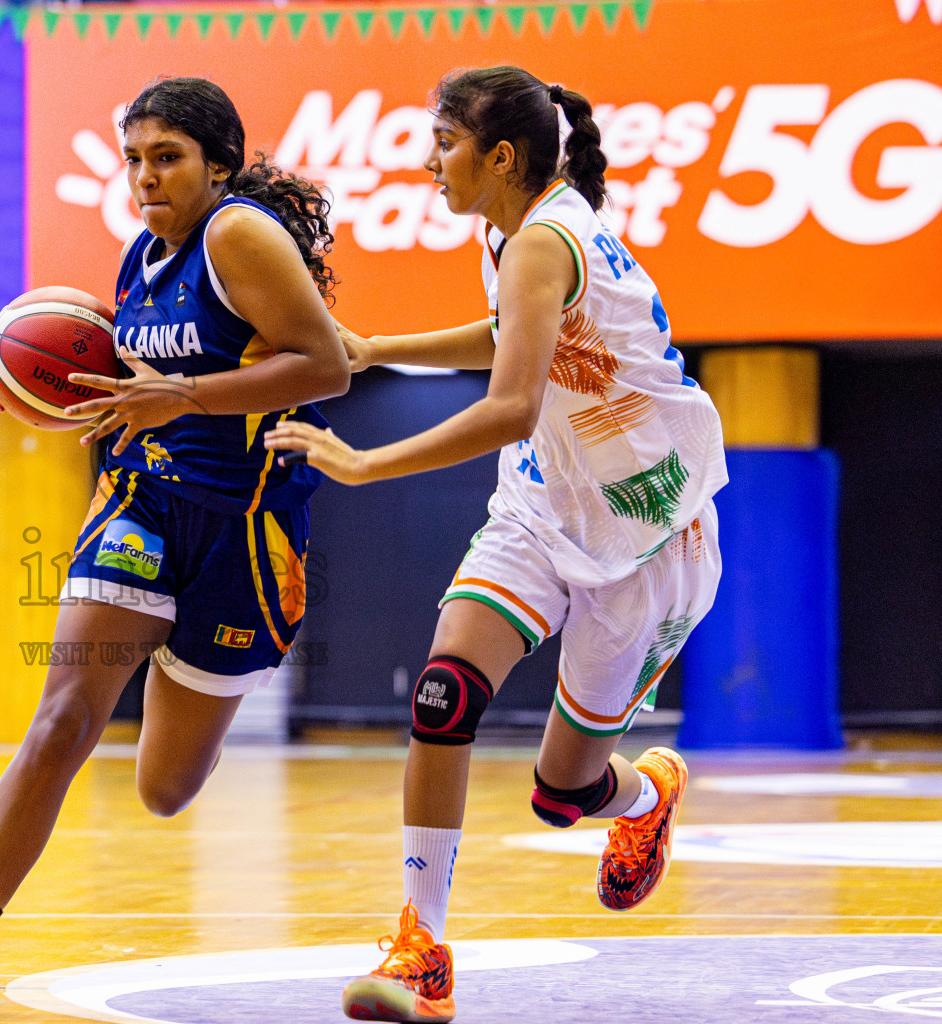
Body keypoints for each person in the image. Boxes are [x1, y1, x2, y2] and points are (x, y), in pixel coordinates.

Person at [265, 66, 726, 1023]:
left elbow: (511, 402)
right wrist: (376, 346)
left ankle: (645, 796)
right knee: (446, 693)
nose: (431, 162)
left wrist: (363, 463)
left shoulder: (543, 241)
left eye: (444, 142)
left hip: (646, 530)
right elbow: (508, 338)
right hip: (542, 506)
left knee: (565, 793)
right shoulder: (515, 231)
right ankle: (421, 944)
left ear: (502, 155)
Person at [0, 76, 349, 1021]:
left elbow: (326, 367)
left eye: (167, 157)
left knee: (165, 789)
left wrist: (180, 397)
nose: (144, 177)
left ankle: (197, 707)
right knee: (62, 720)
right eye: (134, 158)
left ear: (219, 165)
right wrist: (24, 376)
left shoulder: (236, 237)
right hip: (140, 505)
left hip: (245, 533)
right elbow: (115, 382)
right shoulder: (142, 256)